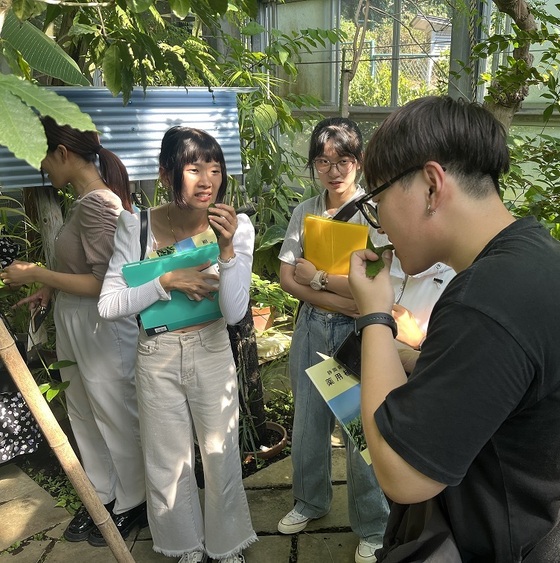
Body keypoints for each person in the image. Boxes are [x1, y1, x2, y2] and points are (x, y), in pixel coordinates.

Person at [347, 96, 560, 561]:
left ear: (432, 186)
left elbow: (402, 475)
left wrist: (375, 316)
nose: (378, 228)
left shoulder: (488, 297)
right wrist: (417, 360)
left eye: (377, 203)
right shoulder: (548, 261)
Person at [98, 126, 256, 563]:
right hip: (157, 354)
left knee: (221, 453)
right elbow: (109, 304)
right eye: (193, 168)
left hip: (211, 350)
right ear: (167, 173)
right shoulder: (138, 225)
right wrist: (164, 282)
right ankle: (186, 547)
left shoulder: (236, 226)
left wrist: (226, 251)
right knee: (168, 462)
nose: (208, 179)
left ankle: (225, 548)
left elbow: (235, 310)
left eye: (215, 168)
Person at [1, 116, 147, 545]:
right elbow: (78, 266)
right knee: (84, 411)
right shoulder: (84, 201)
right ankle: (102, 496)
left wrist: (36, 273)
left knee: (113, 412)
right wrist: (49, 287)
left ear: (63, 153)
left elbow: (108, 282)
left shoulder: (101, 205)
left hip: (101, 324)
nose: (42, 168)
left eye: (44, 158)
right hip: (76, 319)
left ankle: (133, 500)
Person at [277, 117, 389, 563]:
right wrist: (341, 296)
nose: (333, 170)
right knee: (307, 425)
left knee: (360, 430)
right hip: (311, 327)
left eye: (342, 160)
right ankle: (310, 501)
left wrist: (320, 277)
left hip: (355, 334)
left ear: (358, 162)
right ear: (314, 166)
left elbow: (380, 282)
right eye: (323, 161)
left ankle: (373, 524)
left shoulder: (375, 213)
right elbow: (287, 276)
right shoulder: (304, 211)